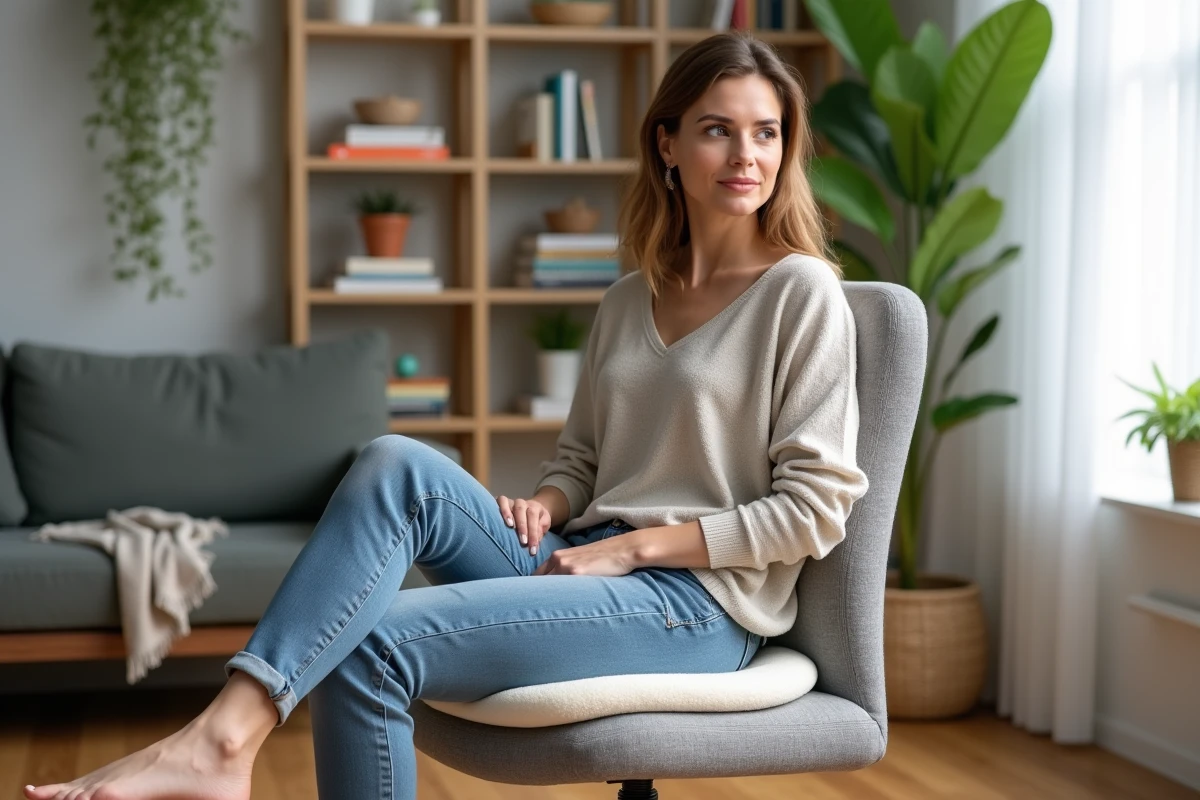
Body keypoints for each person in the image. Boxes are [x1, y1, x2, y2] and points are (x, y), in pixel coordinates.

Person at [22, 29, 870, 800]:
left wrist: (632, 548)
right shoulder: (627, 299)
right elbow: (582, 460)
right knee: (395, 461)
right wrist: (548, 504)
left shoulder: (801, 293)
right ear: (668, 144)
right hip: (586, 555)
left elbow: (815, 509)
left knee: (368, 639)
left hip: (695, 606)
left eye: (768, 133)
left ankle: (217, 745)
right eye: (719, 129)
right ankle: (221, 740)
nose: (747, 155)